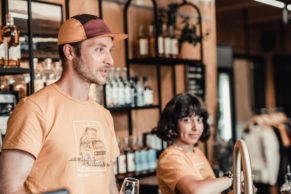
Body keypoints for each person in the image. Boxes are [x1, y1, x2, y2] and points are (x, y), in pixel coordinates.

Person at [0, 14, 127, 194]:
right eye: (99, 49)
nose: (110, 60)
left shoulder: (103, 115)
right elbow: (9, 189)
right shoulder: (34, 109)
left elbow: (108, 186)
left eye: (110, 50)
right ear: (70, 52)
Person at [154, 93, 233, 194]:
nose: (195, 127)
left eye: (199, 120)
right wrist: (233, 179)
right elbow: (195, 191)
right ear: (173, 124)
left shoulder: (197, 152)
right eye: (187, 120)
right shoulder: (170, 157)